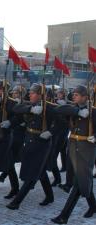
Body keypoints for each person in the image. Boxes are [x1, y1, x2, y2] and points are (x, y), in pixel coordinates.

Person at [6, 83, 56, 210]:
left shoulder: (49, 108)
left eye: (33, 93)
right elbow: (16, 109)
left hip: (42, 143)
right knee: (41, 171)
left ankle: (16, 202)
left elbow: (62, 123)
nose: (30, 94)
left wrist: (51, 132)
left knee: (32, 173)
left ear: (40, 95)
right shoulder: (29, 105)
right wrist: (30, 110)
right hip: (29, 141)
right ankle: (50, 196)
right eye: (30, 92)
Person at [51, 85, 96, 224]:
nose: (74, 96)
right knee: (83, 179)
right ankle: (94, 206)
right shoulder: (73, 109)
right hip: (73, 147)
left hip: (86, 149)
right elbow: (57, 109)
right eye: (74, 94)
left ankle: (64, 216)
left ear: (85, 97)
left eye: (77, 95)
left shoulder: (93, 111)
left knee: (79, 181)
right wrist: (77, 111)